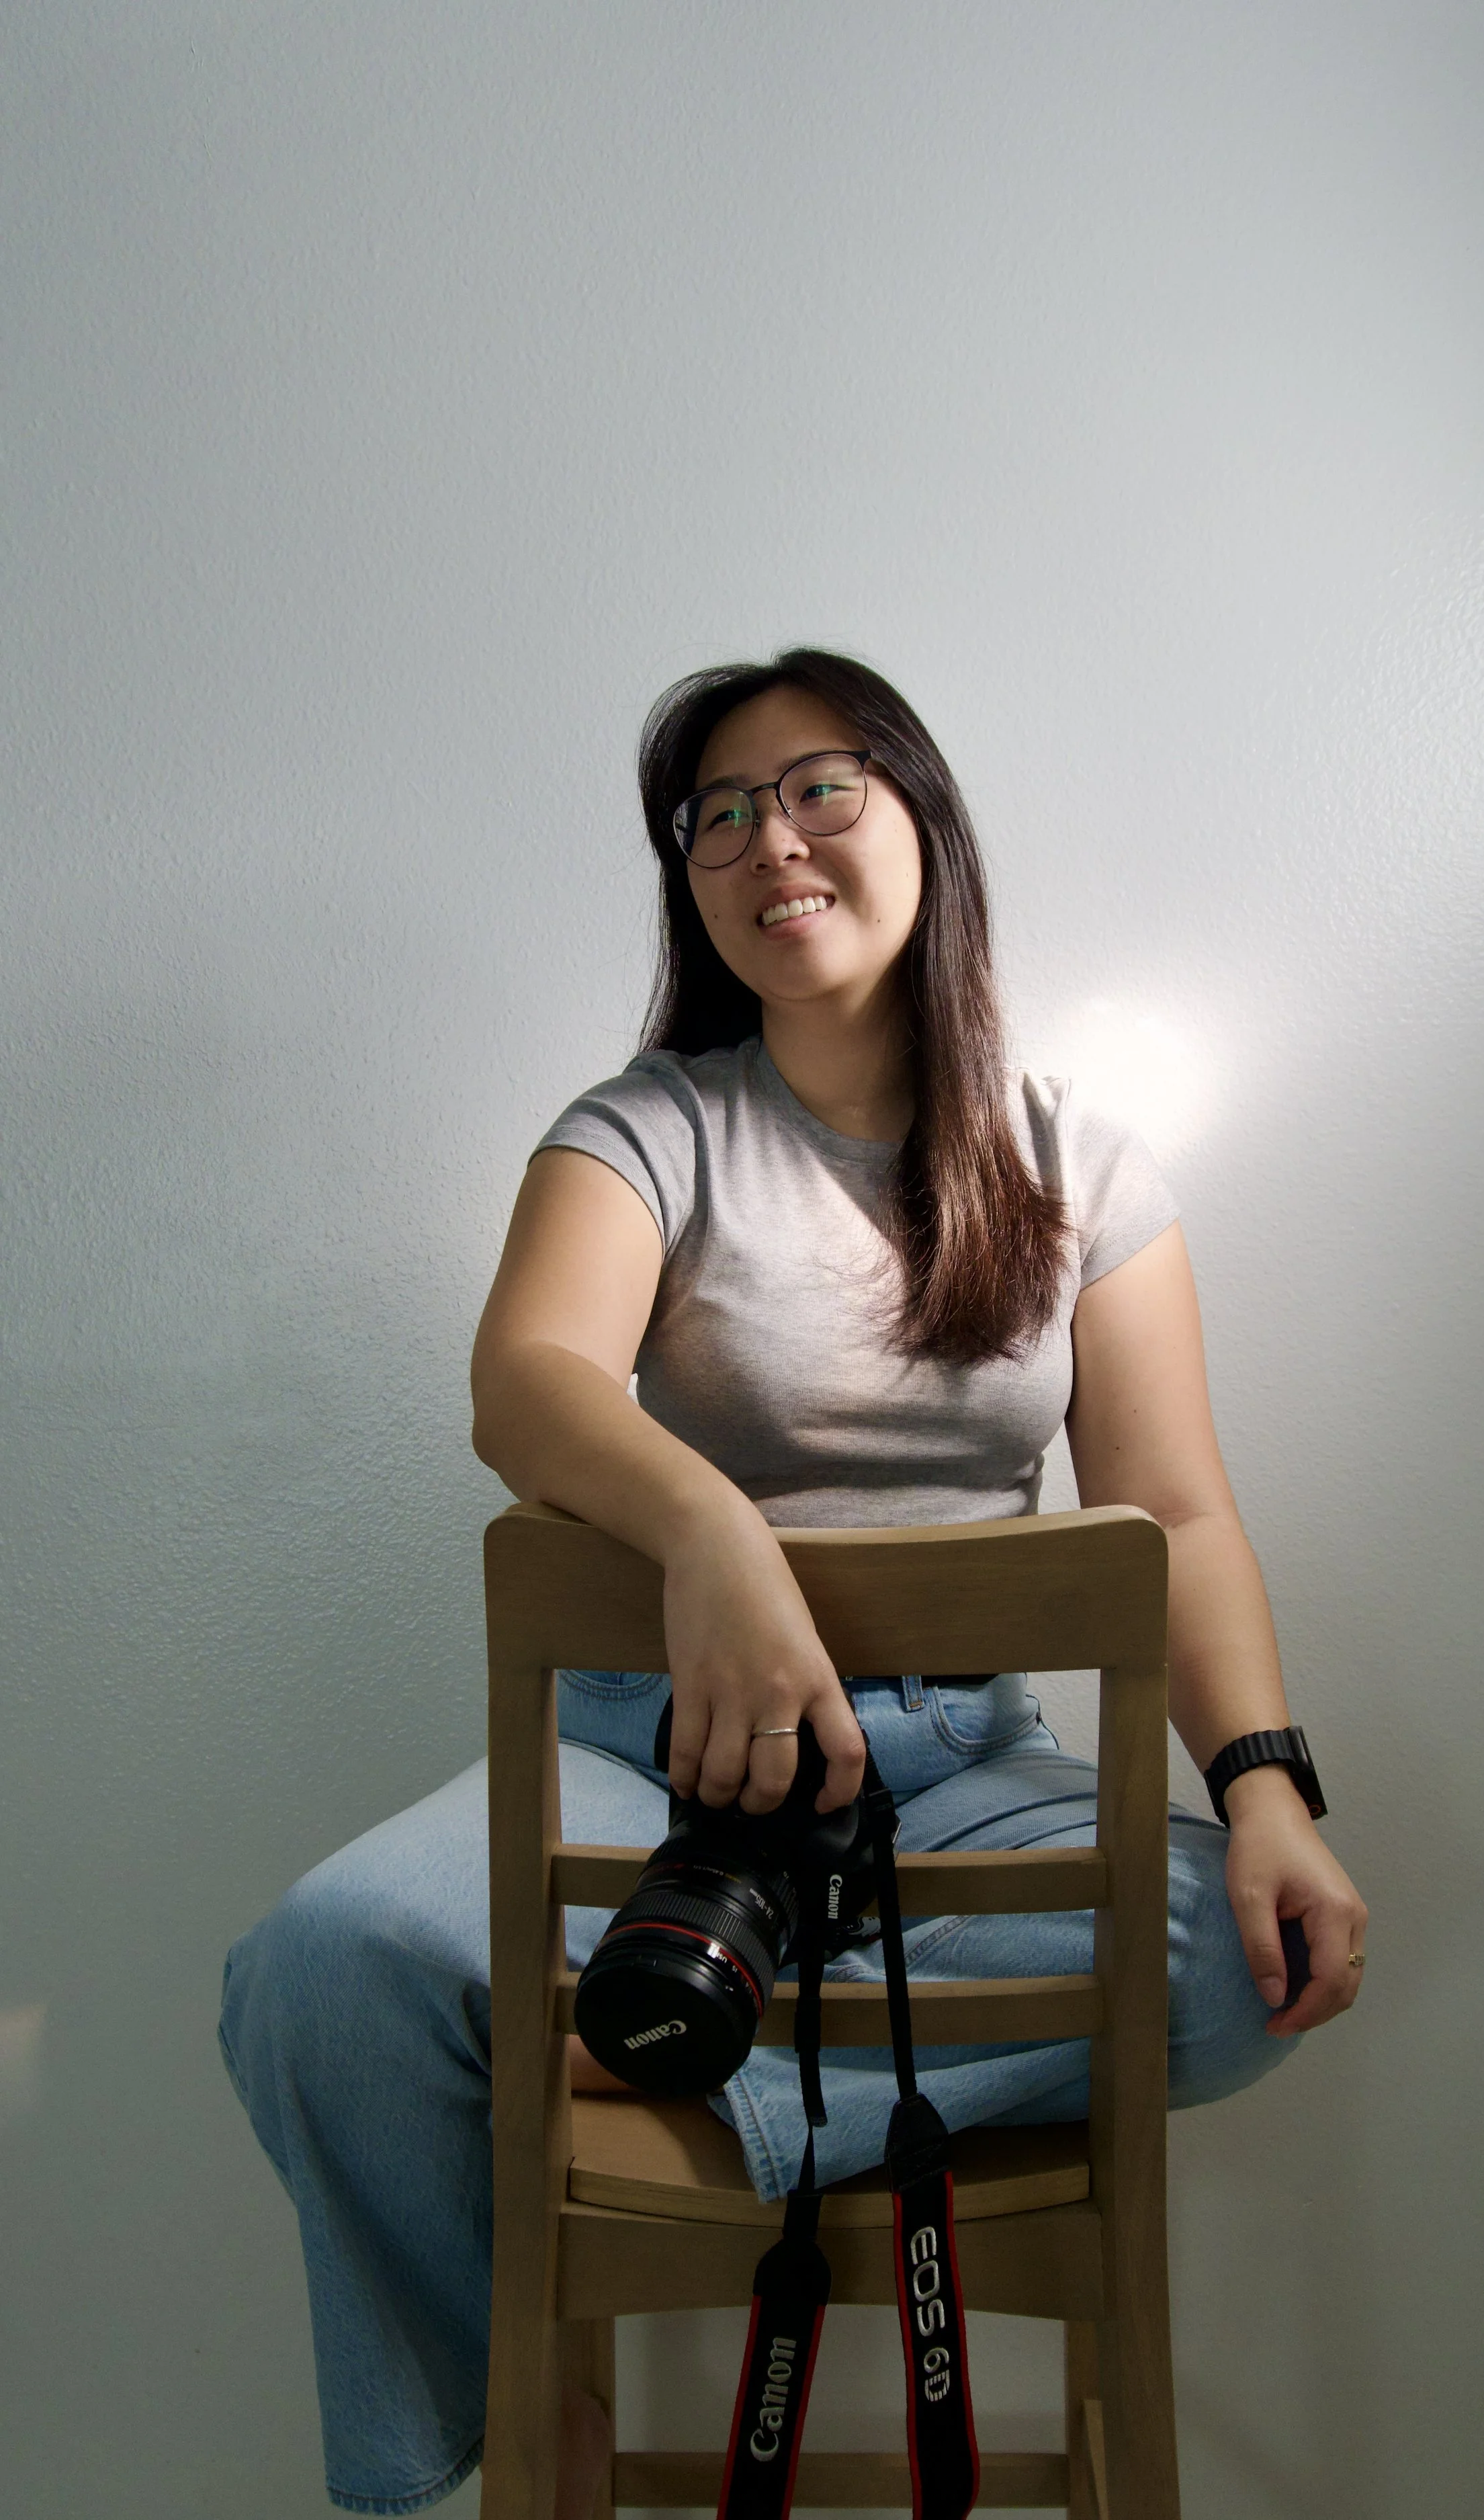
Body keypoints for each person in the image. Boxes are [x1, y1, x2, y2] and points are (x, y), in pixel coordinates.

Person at [220, 648, 1368, 2518]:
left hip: (962, 1788)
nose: (772, 840)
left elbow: (1178, 1514)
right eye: (719, 816)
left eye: (820, 786)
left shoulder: (1081, 1164)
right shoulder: (646, 1127)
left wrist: (1265, 1793)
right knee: (325, 1974)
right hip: (660, 1766)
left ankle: (699, 2058)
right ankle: (528, 2414)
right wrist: (715, 1535)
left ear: (925, 818)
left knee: (1251, 1966)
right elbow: (526, 1386)